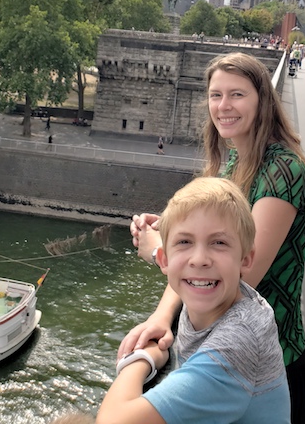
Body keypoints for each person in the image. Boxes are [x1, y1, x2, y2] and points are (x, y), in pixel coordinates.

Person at [124, 52, 305, 424]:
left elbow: (241, 274)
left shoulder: (283, 171)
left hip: (268, 362)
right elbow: (210, 249)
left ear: (262, 100)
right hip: (218, 351)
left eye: (237, 95)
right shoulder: (234, 160)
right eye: (216, 95)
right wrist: (162, 315)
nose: (223, 106)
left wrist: (158, 252)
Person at [92, 177, 289, 424]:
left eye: (218, 243)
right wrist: (162, 319)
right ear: (163, 259)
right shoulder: (226, 298)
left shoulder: (234, 345)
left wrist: (142, 359)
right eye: (185, 242)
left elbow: (113, 421)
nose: (199, 259)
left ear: (245, 260)